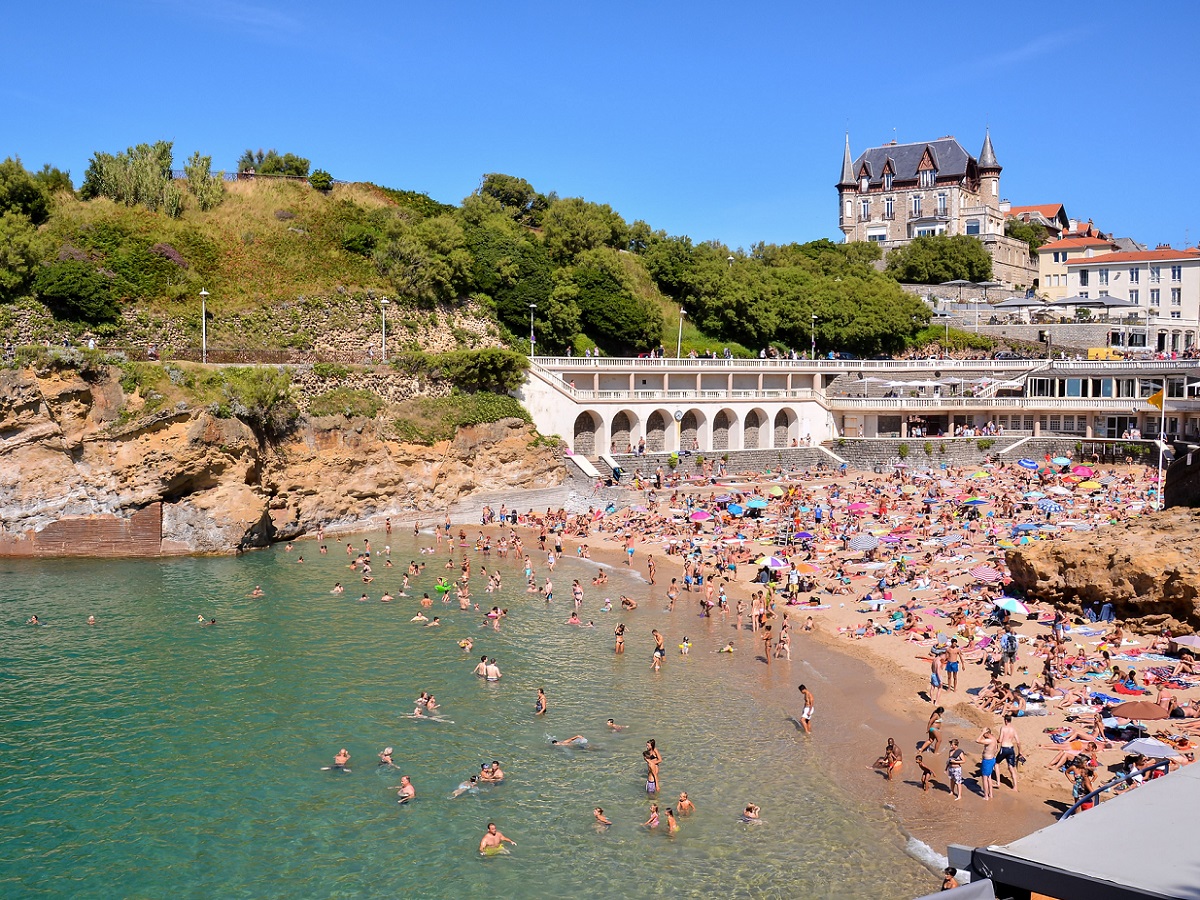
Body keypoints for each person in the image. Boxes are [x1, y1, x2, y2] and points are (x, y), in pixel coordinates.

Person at [997, 714, 1022, 791]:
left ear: (1005, 720)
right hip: (1011, 748)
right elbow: (1018, 742)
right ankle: (1015, 787)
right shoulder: (1013, 730)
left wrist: (996, 740)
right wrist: (1020, 751)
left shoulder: (1003, 728)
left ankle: (998, 782)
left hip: (1004, 748)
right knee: (1011, 767)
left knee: (996, 763)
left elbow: (1000, 740)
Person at [976, 728, 999, 800]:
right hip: (992, 759)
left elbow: (977, 740)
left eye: (984, 734)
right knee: (989, 777)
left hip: (987, 761)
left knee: (985, 778)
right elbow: (996, 748)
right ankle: (991, 794)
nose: (983, 736)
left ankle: (986, 796)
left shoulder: (989, 740)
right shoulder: (994, 738)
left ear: (987, 733)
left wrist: (982, 733)